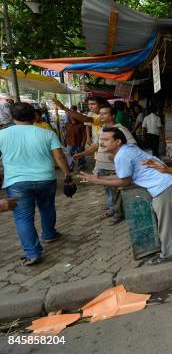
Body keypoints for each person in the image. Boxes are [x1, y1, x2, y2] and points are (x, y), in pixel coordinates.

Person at [79, 127, 172, 265]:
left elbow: (124, 182)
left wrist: (98, 181)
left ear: (118, 142)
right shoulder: (127, 149)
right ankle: (168, 249)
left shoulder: (122, 156)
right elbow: (125, 177)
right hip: (168, 181)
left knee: (165, 223)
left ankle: (168, 255)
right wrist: (101, 178)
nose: (101, 143)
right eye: (100, 139)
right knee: (165, 221)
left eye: (106, 139)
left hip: (164, 186)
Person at [0, 103, 72, 265]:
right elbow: (59, 157)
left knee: (23, 218)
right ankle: (49, 234)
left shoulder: (2, 135)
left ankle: (33, 253)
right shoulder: (47, 133)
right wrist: (68, 174)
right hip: (45, 178)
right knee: (47, 207)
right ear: (34, 116)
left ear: (12, 117)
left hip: (17, 182)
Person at [73, 104, 137, 224]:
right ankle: (112, 209)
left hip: (114, 167)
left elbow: (132, 145)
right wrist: (82, 154)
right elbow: (96, 145)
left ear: (112, 115)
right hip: (101, 165)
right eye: (100, 113)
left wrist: (117, 156)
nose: (101, 115)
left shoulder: (120, 129)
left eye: (104, 113)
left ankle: (118, 214)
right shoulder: (102, 129)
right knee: (108, 191)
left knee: (116, 192)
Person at [65, 105, 87, 171]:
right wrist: (66, 141)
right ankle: (71, 167)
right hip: (70, 142)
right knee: (69, 154)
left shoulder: (81, 124)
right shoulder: (68, 124)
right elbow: (67, 134)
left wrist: (83, 144)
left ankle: (82, 165)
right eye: (71, 117)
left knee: (80, 154)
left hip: (79, 142)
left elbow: (84, 135)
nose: (72, 118)